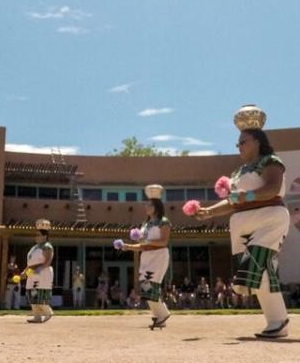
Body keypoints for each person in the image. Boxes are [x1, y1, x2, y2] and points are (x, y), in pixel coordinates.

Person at [195, 104, 291, 339]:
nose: (239, 146)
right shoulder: (238, 172)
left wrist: (245, 196)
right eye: (237, 143)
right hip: (241, 224)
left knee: (256, 267)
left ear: (257, 141)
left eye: (243, 141)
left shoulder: (271, 161)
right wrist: (209, 212)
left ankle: (278, 321)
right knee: (261, 274)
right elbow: (232, 201)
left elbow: (272, 189)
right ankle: (277, 322)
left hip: (269, 218)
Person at [119, 189, 172, 329]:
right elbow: (142, 245)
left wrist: (147, 242)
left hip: (159, 256)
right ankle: (160, 316)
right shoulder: (146, 224)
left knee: (150, 285)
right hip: (146, 257)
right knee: (145, 286)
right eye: (146, 205)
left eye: (149, 205)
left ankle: (162, 314)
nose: (146, 207)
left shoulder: (164, 222)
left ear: (156, 207)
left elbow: (164, 242)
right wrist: (128, 246)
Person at [25, 219, 55, 323]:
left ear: (44, 236)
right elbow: (30, 263)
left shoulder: (47, 247)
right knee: (31, 293)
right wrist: (25, 272)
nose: (36, 236)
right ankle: (37, 316)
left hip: (43, 273)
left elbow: (47, 261)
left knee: (40, 294)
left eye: (38, 235)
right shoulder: (34, 248)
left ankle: (48, 312)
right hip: (32, 273)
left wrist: (35, 269)